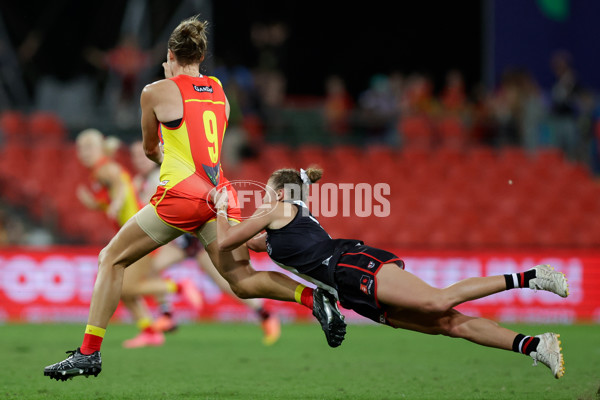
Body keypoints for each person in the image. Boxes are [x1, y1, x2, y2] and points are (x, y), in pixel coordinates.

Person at [44, 16, 344, 381]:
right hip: (220, 192)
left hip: (182, 194)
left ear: (170, 54)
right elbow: (208, 138)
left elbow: (151, 148)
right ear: (201, 57)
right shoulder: (219, 89)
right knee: (243, 279)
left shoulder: (155, 91)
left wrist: (164, 149)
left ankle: (88, 354)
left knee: (111, 259)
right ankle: (313, 298)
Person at [212, 166, 569, 379]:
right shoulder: (276, 230)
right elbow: (246, 245)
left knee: (437, 301)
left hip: (350, 265)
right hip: (348, 291)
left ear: (279, 190)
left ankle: (533, 276)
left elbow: (226, 240)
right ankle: (537, 346)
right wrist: (226, 217)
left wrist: (220, 205)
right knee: (448, 323)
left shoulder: (277, 206)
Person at [130, 140, 282, 344]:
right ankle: (167, 315)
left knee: (227, 281)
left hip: (193, 236)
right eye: (135, 157)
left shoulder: (160, 176)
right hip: (181, 238)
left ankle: (265, 314)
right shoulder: (141, 181)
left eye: (142, 155)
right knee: (152, 270)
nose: (139, 160)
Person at [74, 129, 202, 349]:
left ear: (100, 148)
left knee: (123, 287)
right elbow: (118, 188)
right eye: (81, 148)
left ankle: (177, 287)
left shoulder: (106, 168)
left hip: (139, 235)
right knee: (121, 287)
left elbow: (121, 184)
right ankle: (149, 331)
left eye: (89, 147)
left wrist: (117, 202)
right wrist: (95, 204)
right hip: (134, 234)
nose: (84, 153)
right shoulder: (99, 171)